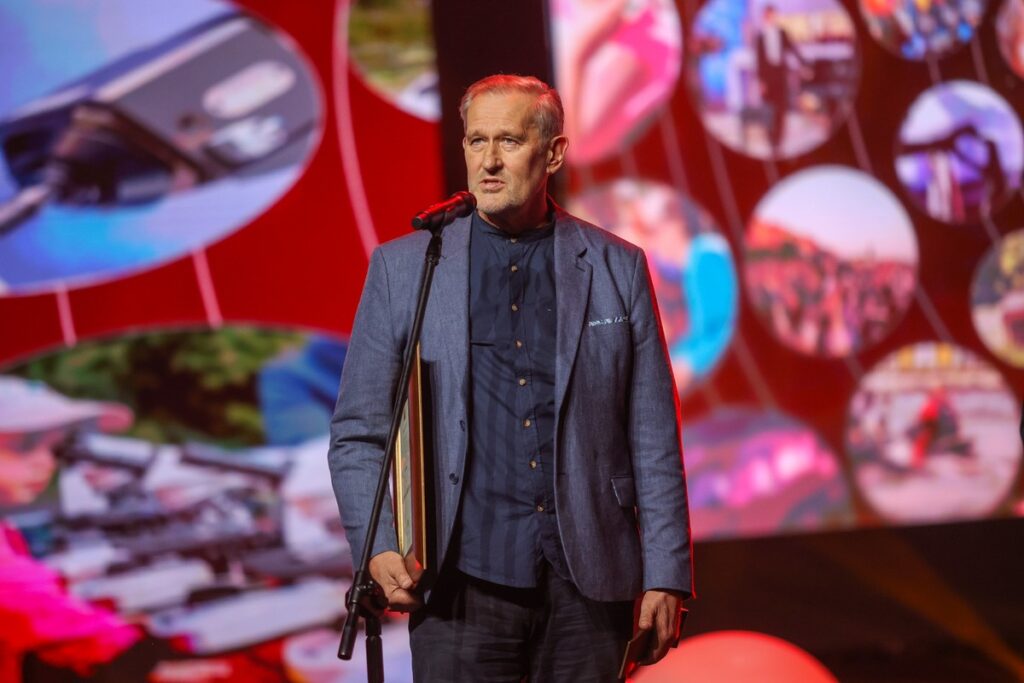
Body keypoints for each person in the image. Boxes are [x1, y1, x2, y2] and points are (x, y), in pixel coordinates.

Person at [328, 74, 692, 681]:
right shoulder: (407, 268)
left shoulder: (616, 266)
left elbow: (652, 433)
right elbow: (359, 431)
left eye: (509, 142)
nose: (489, 162)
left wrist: (666, 573)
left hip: (588, 584)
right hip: (460, 585)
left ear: (552, 153)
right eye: (476, 142)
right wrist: (380, 546)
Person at [753, 4, 808, 155]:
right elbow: (758, 61)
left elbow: (793, 49)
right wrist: (761, 82)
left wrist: (804, 64)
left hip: (780, 76)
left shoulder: (782, 33)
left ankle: (779, 139)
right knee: (769, 108)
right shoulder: (760, 37)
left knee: (781, 108)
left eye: (773, 15)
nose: (771, 18)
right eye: (768, 16)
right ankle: (771, 139)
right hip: (767, 78)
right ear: (764, 17)